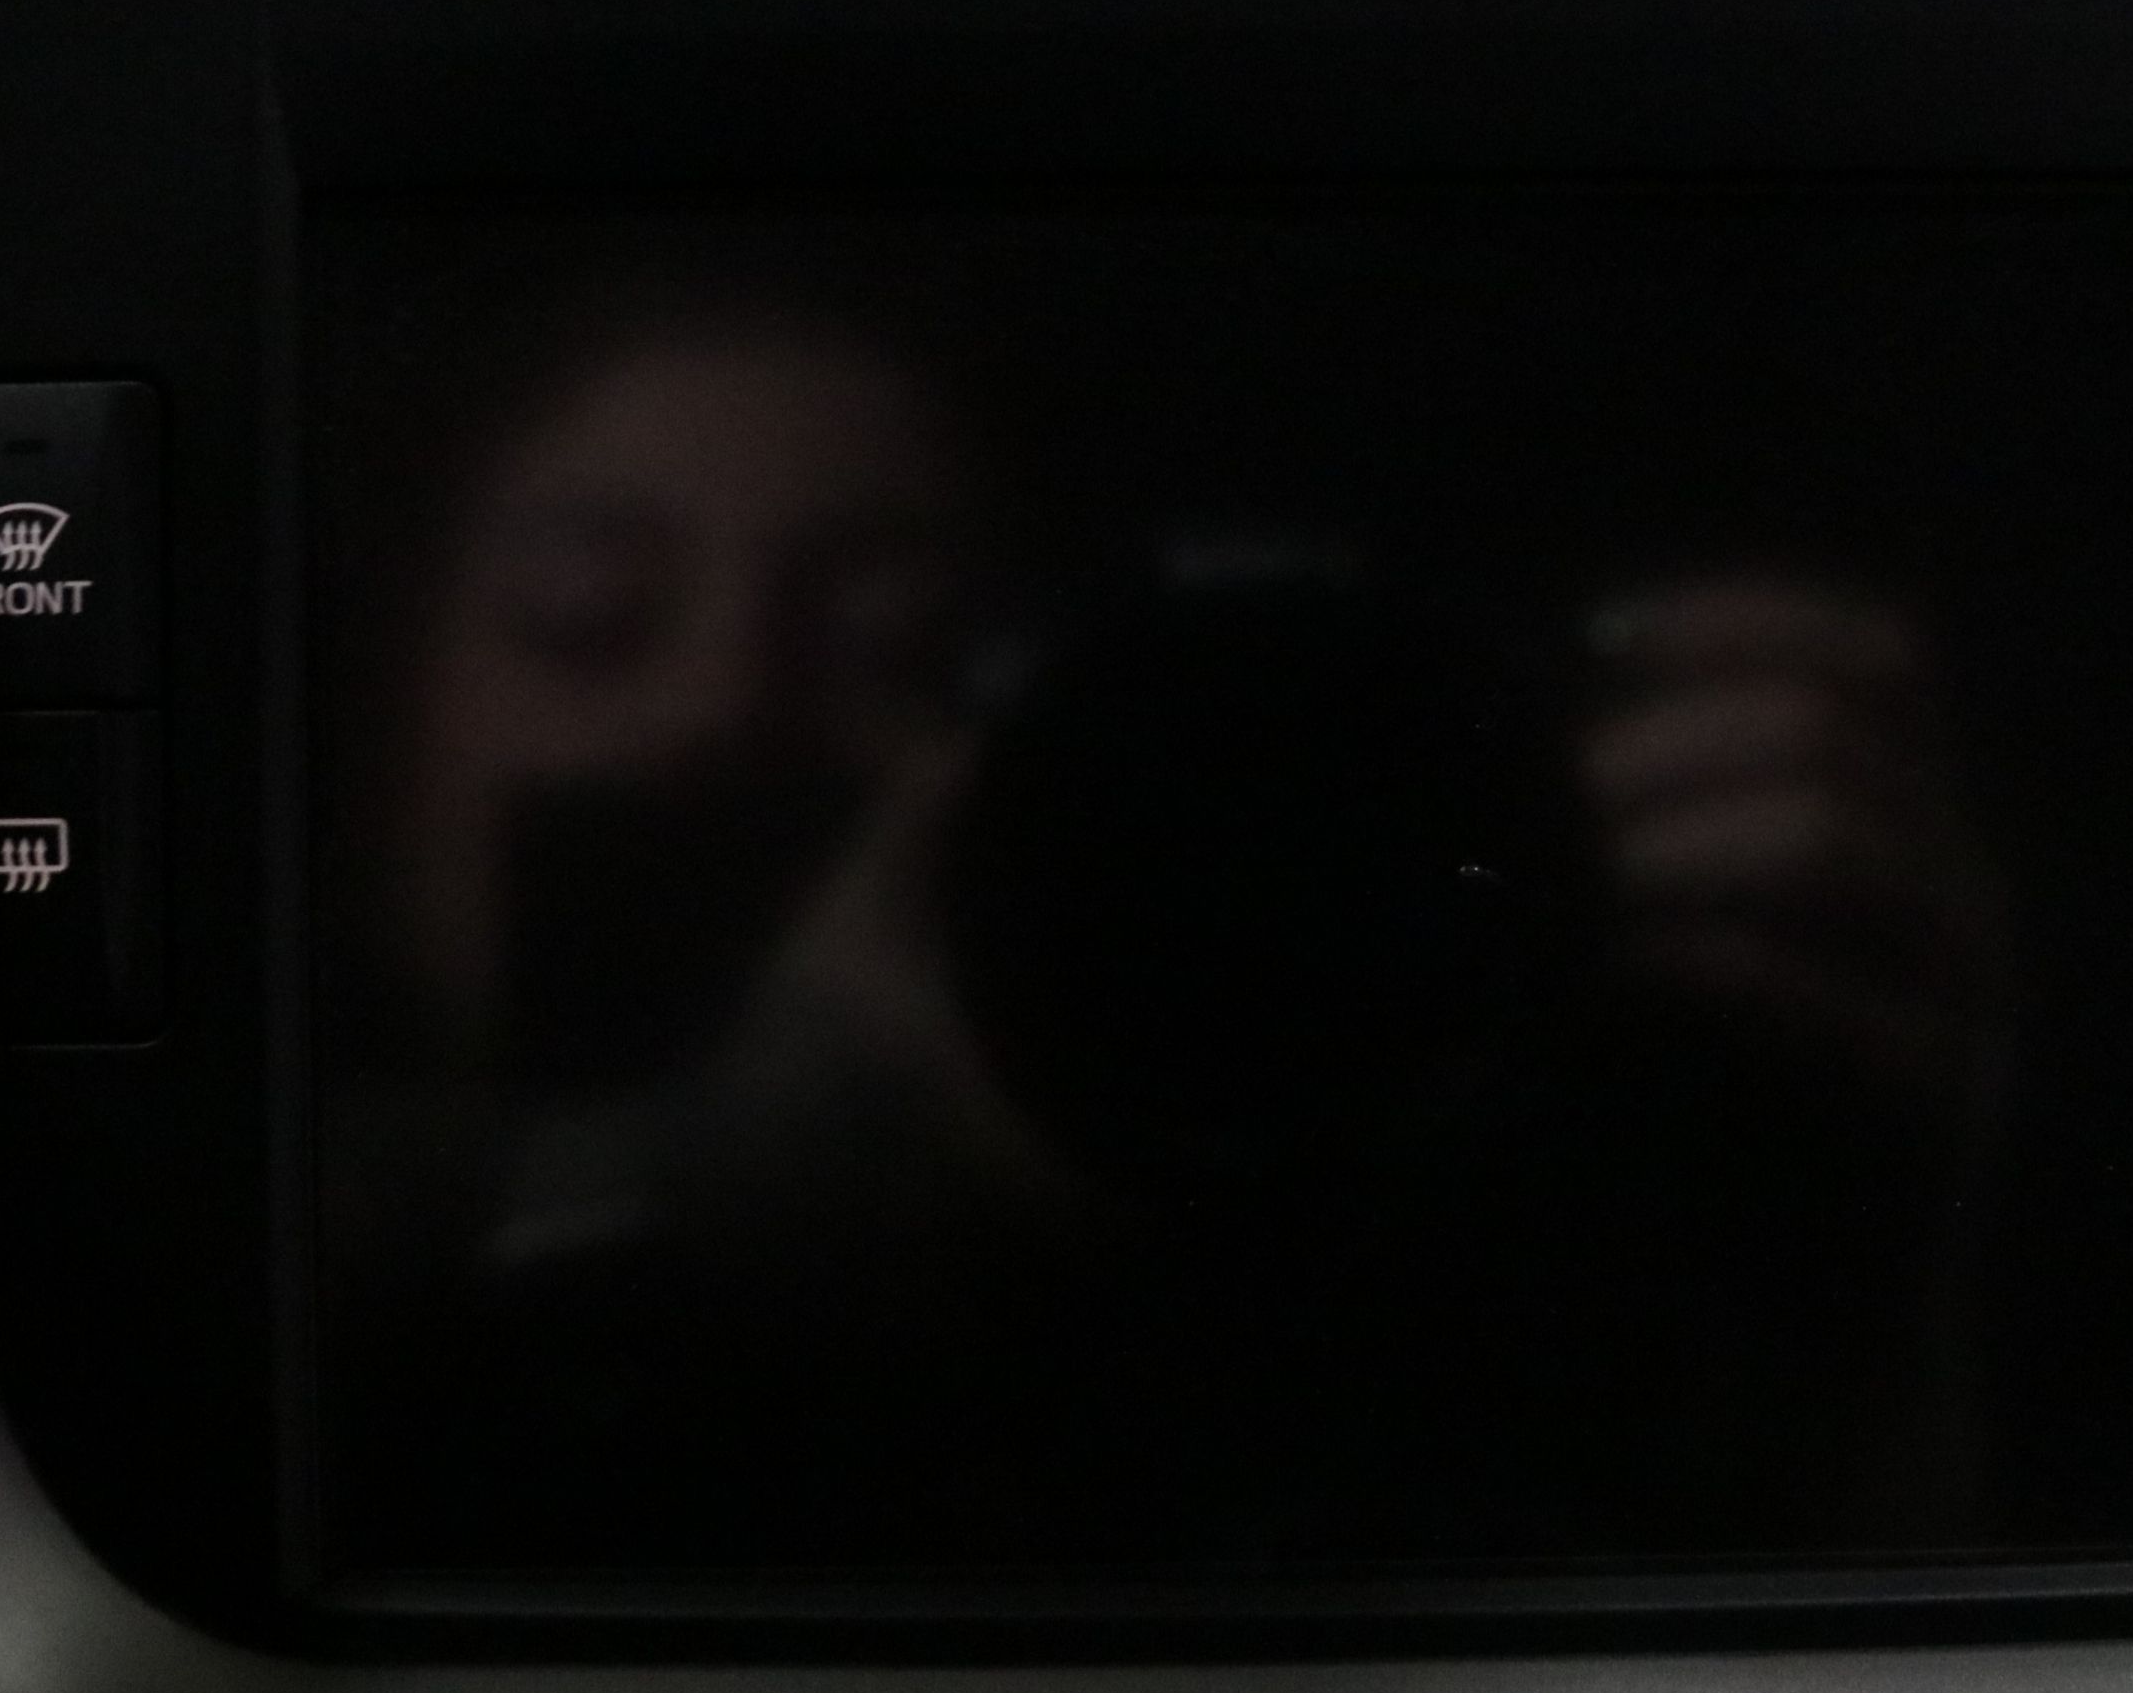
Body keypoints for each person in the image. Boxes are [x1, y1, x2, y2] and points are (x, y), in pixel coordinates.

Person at [332, 315, 2013, 1568]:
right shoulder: (278, 1225)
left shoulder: (1398, 1315)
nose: (725, 707)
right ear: (377, 724)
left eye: (903, 641)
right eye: (585, 616)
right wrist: (762, 1162)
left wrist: (1840, 1287)